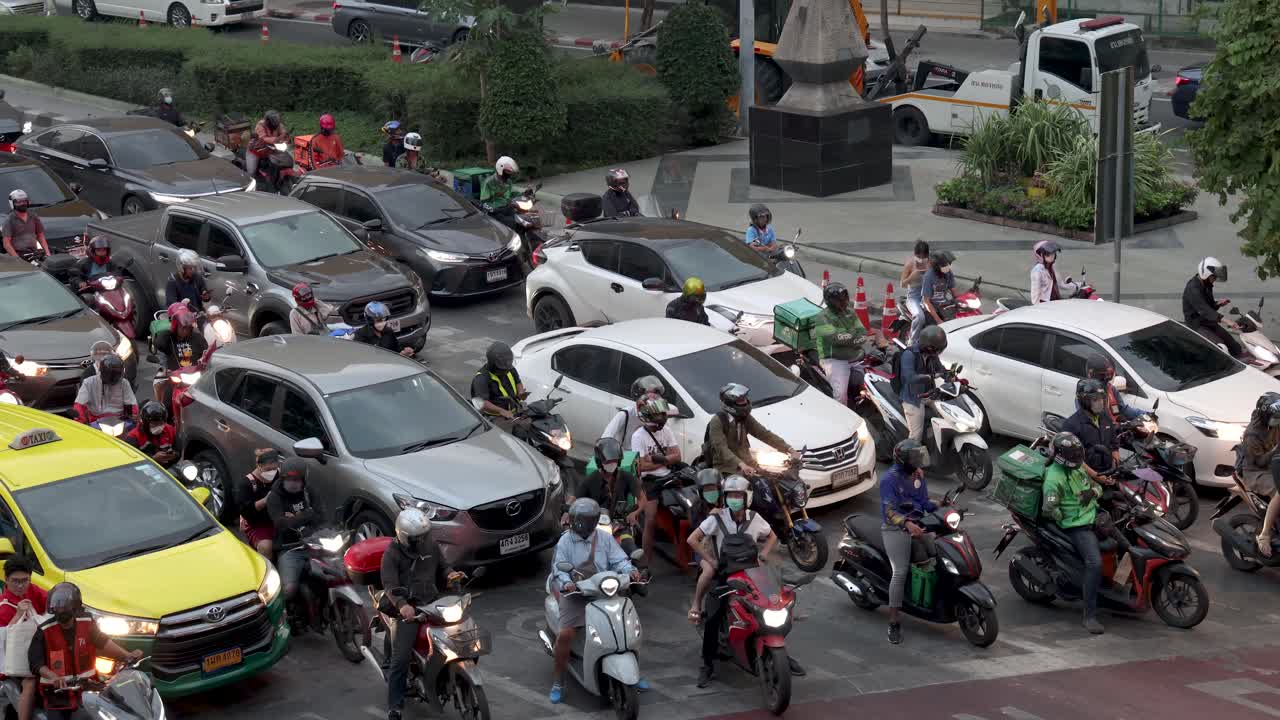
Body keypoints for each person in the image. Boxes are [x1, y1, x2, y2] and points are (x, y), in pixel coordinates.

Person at [686, 474, 777, 687]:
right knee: (713, 618)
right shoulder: (716, 518)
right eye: (730, 495)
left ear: (747, 497)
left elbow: (772, 536)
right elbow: (692, 539)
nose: (734, 499)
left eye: (738, 495)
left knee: (770, 609)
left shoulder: (756, 518)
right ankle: (707, 664)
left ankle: (779, 654)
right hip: (725, 576)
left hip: (752, 575)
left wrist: (764, 553)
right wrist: (710, 560)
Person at [548, 498, 640, 704]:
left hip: (603, 591)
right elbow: (558, 568)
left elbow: (620, 560)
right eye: (577, 519)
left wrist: (631, 571)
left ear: (594, 521)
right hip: (576, 593)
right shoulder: (565, 541)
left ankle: (635, 673)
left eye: (586, 520)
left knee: (627, 626)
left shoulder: (605, 539)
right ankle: (558, 681)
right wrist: (566, 583)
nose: (580, 524)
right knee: (565, 635)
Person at [382, 507, 464, 720]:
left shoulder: (430, 545)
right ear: (405, 537)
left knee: (462, 636)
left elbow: (443, 567)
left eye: (424, 535)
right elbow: (390, 586)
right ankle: (395, 706)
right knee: (399, 660)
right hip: (410, 610)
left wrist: (451, 574)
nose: (423, 540)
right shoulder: (391, 555)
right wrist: (402, 605)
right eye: (418, 538)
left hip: (434, 603)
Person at [1041, 432, 1126, 635]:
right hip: (1077, 525)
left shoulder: (1076, 465)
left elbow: (1095, 486)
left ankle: (1119, 584)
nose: (1077, 460)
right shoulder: (1054, 478)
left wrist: (1093, 493)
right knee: (1094, 563)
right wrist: (1064, 516)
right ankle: (1089, 614)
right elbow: (1048, 509)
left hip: (1095, 515)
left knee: (1127, 544)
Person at [29, 583, 142, 720]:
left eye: (66, 610)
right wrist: (53, 677)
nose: (64, 619)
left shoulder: (87, 622)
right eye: (58, 611)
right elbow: (36, 662)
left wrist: (127, 656)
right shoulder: (44, 631)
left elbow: (103, 642)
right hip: (58, 696)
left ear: (75, 609)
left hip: (89, 689)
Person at [879, 439, 936, 645]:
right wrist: (906, 524)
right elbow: (889, 511)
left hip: (918, 523)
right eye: (915, 459)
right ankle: (894, 621)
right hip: (895, 528)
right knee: (900, 571)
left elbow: (924, 502)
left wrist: (942, 506)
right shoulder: (889, 480)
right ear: (904, 460)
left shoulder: (918, 476)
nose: (919, 462)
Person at [631, 397, 684, 564]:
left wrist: (655, 460)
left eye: (662, 414)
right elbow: (641, 467)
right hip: (650, 482)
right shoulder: (638, 436)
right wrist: (664, 460)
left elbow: (678, 456)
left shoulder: (666, 431)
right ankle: (646, 560)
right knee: (651, 519)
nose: (662, 417)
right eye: (658, 414)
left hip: (669, 476)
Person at [704, 383, 798, 477]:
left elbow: (764, 434)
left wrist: (789, 449)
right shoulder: (718, 421)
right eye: (741, 401)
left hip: (749, 465)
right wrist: (741, 465)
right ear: (730, 404)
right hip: (728, 469)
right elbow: (721, 449)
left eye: (745, 399)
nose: (745, 402)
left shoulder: (744, 417)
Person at [570, 437, 642, 557]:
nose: (611, 464)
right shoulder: (590, 479)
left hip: (620, 523)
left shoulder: (627, 477)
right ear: (599, 462)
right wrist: (568, 511)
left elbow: (642, 499)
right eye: (608, 462)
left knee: (631, 547)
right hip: (595, 523)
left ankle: (638, 571)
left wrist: (635, 513)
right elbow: (575, 498)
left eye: (614, 461)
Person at [266, 458, 324, 604]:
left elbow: (322, 517)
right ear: (282, 478)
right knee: (289, 590)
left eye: (297, 479)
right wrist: (307, 514)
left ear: (303, 480)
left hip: (315, 543)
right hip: (289, 548)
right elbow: (281, 524)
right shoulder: (274, 497)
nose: (293, 483)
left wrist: (295, 518)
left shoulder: (309, 492)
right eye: (289, 479)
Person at [1, 557, 47, 720]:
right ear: (6, 579)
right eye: (15, 581)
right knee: (30, 682)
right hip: (14, 659)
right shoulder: (4, 606)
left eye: (24, 580)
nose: (20, 585)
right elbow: (4, 640)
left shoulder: (32, 590)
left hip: (38, 648)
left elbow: (50, 602)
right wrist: (18, 614)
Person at [814, 282, 873, 408]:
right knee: (840, 396)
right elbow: (835, 339)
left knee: (874, 382)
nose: (844, 302)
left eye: (845, 299)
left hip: (855, 356)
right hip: (834, 359)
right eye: (839, 300)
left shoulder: (850, 313)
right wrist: (852, 334)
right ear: (830, 301)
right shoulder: (822, 318)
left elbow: (863, 334)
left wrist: (847, 335)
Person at [1242, 392, 1280, 556]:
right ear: (1266, 415)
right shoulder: (1252, 434)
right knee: (1279, 491)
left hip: (1274, 464)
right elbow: (1259, 462)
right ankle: (1264, 535)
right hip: (1256, 472)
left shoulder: (1274, 421)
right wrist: (1276, 449)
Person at [1183, 256, 1242, 357]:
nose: (1215, 279)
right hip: (1197, 324)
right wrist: (1226, 320)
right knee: (1221, 347)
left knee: (1235, 346)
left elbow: (1208, 306)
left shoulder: (1206, 285)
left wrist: (1217, 304)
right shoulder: (1193, 288)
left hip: (1207, 321)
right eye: (1214, 276)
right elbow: (1204, 310)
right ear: (1206, 274)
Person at [897, 326, 947, 442]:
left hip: (930, 394)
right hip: (914, 398)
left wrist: (950, 375)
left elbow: (940, 369)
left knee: (948, 417)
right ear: (929, 347)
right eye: (937, 350)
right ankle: (911, 456)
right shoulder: (909, 355)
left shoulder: (931, 355)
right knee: (916, 436)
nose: (937, 353)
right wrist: (931, 376)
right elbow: (910, 378)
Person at [601, 375, 680, 445]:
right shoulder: (626, 414)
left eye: (655, 396)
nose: (652, 399)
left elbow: (674, 410)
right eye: (648, 396)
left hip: (650, 455)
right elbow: (606, 436)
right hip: (628, 455)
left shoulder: (658, 408)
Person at [1063, 379, 1119, 474]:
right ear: (1084, 401)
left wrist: (1116, 465)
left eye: (1102, 398)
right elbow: (1075, 459)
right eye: (1095, 399)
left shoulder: (1105, 417)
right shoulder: (1072, 425)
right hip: (1086, 476)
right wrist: (1096, 476)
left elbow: (1114, 445)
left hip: (1108, 471)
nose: (1100, 402)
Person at [470, 341, 527, 430]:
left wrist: (521, 392)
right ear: (493, 365)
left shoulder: (509, 368)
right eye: (502, 370)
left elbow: (518, 382)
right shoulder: (481, 378)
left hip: (514, 410)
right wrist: (501, 411)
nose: (505, 371)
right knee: (509, 436)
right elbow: (482, 402)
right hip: (495, 417)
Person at [237, 448, 281, 558]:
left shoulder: (279, 475)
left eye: (275, 468)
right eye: (268, 469)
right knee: (266, 547)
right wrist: (265, 501)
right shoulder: (247, 483)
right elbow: (246, 512)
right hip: (257, 524)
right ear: (259, 466)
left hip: (278, 519)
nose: (272, 472)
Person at [73, 354, 135, 425]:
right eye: (111, 374)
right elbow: (79, 405)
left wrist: (133, 417)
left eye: (116, 374)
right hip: (95, 421)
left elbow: (131, 403)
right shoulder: (88, 383)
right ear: (102, 372)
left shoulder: (124, 383)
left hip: (119, 421)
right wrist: (80, 421)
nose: (113, 377)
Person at [1083, 353, 1142, 421]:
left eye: (1109, 375)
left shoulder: (1111, 389)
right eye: (1102, 375)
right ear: (1091, 374)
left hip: (1117, 429)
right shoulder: (1084, 394)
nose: (1106, 378)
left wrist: (1145, 414)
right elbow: (1089, 420)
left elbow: (1123, 409)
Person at [152, 305, 208, 373]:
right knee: (157, 382)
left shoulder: (197, 337)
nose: (185, 331)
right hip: (174, 376)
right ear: (175, 326)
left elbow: (206, 353)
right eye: (183, 328)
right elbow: (158, 344)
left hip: (195, 374)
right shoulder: (168, 338)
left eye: (188, 328)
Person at [123, 401, 177, 466]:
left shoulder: (170, 430)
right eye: (154, 424)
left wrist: (174, 455)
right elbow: (131, 462)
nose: (159, 426)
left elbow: (178, 450)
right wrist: (153, 458)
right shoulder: (133, 437)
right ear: (145, 423)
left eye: (161, 423)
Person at [3, 190, 50, 260]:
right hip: (18, 254)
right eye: (19, 202)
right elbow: (6, 244)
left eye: (24, 201)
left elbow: (41, 236)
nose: (23, 204)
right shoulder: (9, 220)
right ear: (13, 203)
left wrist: (48, 254)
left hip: (34, 253)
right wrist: (17, 259)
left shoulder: (33, 216)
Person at [1029, 240, 1078, 304]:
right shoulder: (1037, 271)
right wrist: (1037, 309)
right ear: (1040, 255)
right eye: (1048, 254)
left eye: (1053, 253)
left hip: (1056, 300)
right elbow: (1035, 293)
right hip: (1045, 303)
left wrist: (1077, 285)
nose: (1052, 256)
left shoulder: (1052, 266)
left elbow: (1060, 284)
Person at [901, 240, 930, 342]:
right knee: (919, 316)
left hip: (928, 297)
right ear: (915, 254)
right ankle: (912, 342)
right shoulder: (910, 264)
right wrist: (911, 277)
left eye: (924, 257)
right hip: (914, 298)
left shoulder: (931, 263)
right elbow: (902, 284)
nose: (921, 260)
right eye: (919, 257)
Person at [247, 110, 289, 181]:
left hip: (271, 149)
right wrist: (276, 139)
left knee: (286, 159)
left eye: (276, 121)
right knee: (251, 172)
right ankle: (252, 187)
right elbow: (263, 138)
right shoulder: (260, 125)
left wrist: (286, 138)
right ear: (268, 121)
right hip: (257, 150)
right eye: (274, 122)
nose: (275, 124)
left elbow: (283, 133)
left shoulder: (278, 125)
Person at [919, 250, 956, 328]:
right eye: (945, 264)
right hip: (931, 308)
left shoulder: (948, 273)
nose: (948, 266)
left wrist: (968, 295)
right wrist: (938, 320)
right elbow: (926, 302)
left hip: (945, 305)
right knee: (934, 331)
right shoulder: (928, 277)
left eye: (949, 264)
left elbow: (954, 292)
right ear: (937, 266)